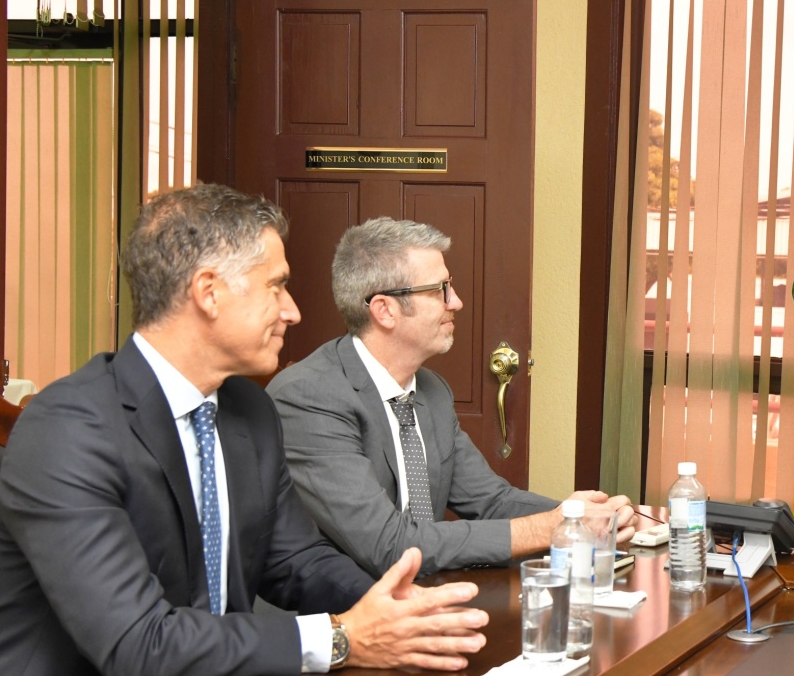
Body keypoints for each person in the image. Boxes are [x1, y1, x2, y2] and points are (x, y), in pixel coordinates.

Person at [0, 186, 489, 676]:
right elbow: (137, 644)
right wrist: (342, 636)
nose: (293, 310)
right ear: (208, 292)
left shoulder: (248, 409)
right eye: (276, 286)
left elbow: (295, 561)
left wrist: (400, 610)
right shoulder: (69, 429)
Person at [267, 217, 634, 577]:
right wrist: (548, 528)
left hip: (426, 600)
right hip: (341, 615)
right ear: (385, 310)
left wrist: (585, 518)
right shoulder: (309, 398)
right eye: (440, 289)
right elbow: (388, 545)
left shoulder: (432, 390)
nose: (455, 302)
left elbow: (492, 501)